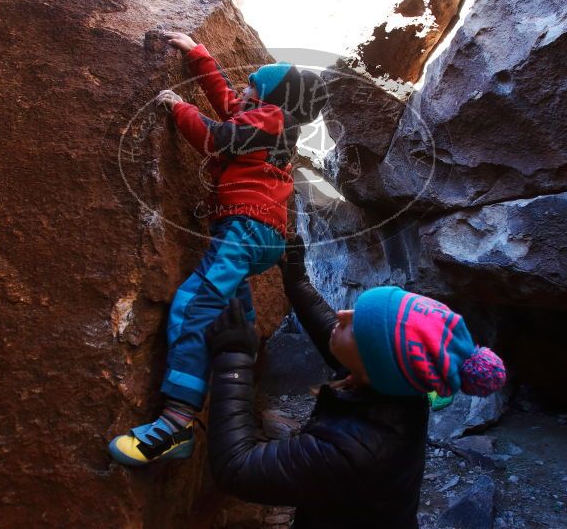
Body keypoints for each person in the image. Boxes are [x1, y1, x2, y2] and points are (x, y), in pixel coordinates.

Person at [108, 32, 329, 466]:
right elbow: (227, 102)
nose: (243, 89)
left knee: (194, 305)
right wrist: (197, 54)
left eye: (253, 85)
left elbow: (213, 137)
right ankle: (240, 399)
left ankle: (175, 424)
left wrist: (178, 106)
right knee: (234, 315)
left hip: (246, 230)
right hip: (255, 235)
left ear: (272, 97)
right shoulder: (267, 121)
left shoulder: (269, 121)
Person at [203, 238, 507, 528]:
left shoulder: (355, 450)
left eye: (356, 325)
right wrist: (298, 284)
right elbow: (334, 335)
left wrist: (233, 358)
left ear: (373, 365)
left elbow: (236, 468)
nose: (342, 314)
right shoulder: (394, 384)